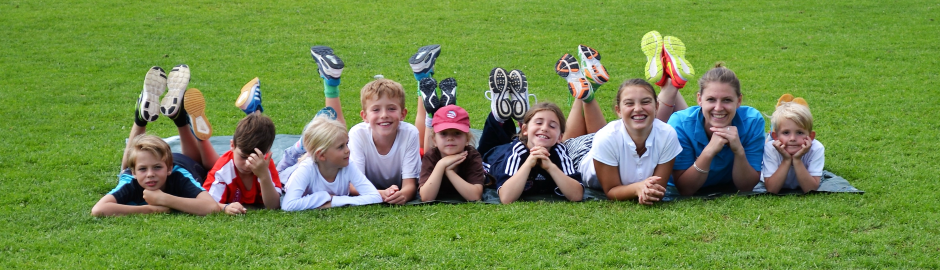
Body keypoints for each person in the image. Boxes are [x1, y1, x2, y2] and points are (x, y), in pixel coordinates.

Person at [293, 46, 421, 205]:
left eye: (391, 108)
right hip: (365, 185)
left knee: (427, 149)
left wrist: (403, 195)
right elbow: (352, 185)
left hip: (382, 187)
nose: (384, 115)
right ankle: (330, 83)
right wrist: (381, 193)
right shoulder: (358, 133)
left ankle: (423, 78)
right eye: (376, 109)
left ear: (403, 114)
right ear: (364, 116)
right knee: (334, 138)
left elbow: (410, 186)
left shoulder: (410, 133)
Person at [91, 66, 219, 216]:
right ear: (135, 173)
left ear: (169, 169)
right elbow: (98, 210)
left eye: (157, 168)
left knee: (204, 165)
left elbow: (212, 207)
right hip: (144, 166)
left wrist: (164, 199)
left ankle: (142, 120)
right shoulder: (131, 180)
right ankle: (179, 119)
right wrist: (151, 209)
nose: (150, 174)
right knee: (126, 171)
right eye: (143, 169)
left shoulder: (178, 175)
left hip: (184, 161)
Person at [480, 67, 583, 204]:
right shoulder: (518, 151)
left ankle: (513, 114)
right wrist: (529, 163)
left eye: (552, 126)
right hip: (493, 154)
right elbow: (506, 198)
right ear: (525, 129)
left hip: (521, 137)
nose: (545, 128)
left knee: (511, 133)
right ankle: (498, 116)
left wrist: (550, 167)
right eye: (539, 123)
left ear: (560, 137)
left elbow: (576, 195)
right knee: (493, 136)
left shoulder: (559, 151)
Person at [664, 63, 765, 195]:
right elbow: (686, 189)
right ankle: (668, 84)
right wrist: (709, 151)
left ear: (739, 100)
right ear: (700, 99)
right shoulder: (680, 124)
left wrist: (738, 151)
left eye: (727, 100)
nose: (718, 108)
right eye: (711, 99)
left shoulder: (752, 121)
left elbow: (746, 188)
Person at [281, 116, 382, 210]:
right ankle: (298, 148)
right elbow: (288, 205)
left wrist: (334, 200)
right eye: (340, 147)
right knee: (283, 167)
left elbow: (375, 197)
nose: (348, 150)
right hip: (287, 176)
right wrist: (323, 196)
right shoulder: (307, 169)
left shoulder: (347, 164)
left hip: (315, 159)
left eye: (346, 144)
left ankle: (306, 148)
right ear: (322, 155)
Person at [201, 109, 283, 215]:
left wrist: (263, 176)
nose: (248, 164)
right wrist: (224, 207)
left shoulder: (264, 164)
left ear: (266, 153)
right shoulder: (222, 170)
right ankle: (199, 136)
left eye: (254, 158)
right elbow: (207, 203)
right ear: (232, 145)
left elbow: (273, 206)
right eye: (243, 157)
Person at [418, 105, 485, 202]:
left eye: (457, 133)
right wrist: (441, 165)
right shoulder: (431, 156)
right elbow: (426, 197)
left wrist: (449, 171)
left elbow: (475, 196)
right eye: (443, 133)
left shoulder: (472, 156)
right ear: (434, 140)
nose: (450, 138)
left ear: (467, 139)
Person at [761, 94, 823, 193]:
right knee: (762, 143)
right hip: (771, 143)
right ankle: (768, 136)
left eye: (799, 132)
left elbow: (811, 189)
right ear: (776, 136)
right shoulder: (771, 148)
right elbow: (772, 189)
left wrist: (797, 160)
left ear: (811, 136)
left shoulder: (816, 148)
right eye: (786, 133)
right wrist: (786, 160)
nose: (793, 138)